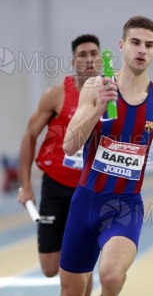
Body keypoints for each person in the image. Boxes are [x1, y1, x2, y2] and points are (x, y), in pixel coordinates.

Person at [60, 16, 153, 296]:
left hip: (125, 207)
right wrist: (98, 109)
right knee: (71, 290)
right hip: (86, 202)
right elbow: (69, 146)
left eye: (149, 45)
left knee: (111, 276)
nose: (142, 49)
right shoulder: (96, 87)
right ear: (121, 45)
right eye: (135, 42)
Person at [17, 34, 101, 295]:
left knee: (79, 262)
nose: (88, 60)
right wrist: (26, 185)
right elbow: (30, 135)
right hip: (54, 186)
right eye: (82, 55)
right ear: (73, 61)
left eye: (93, 54)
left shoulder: (110, 96)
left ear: (100, 59)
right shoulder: (56, 95)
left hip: (87, 188)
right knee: (50, 267)